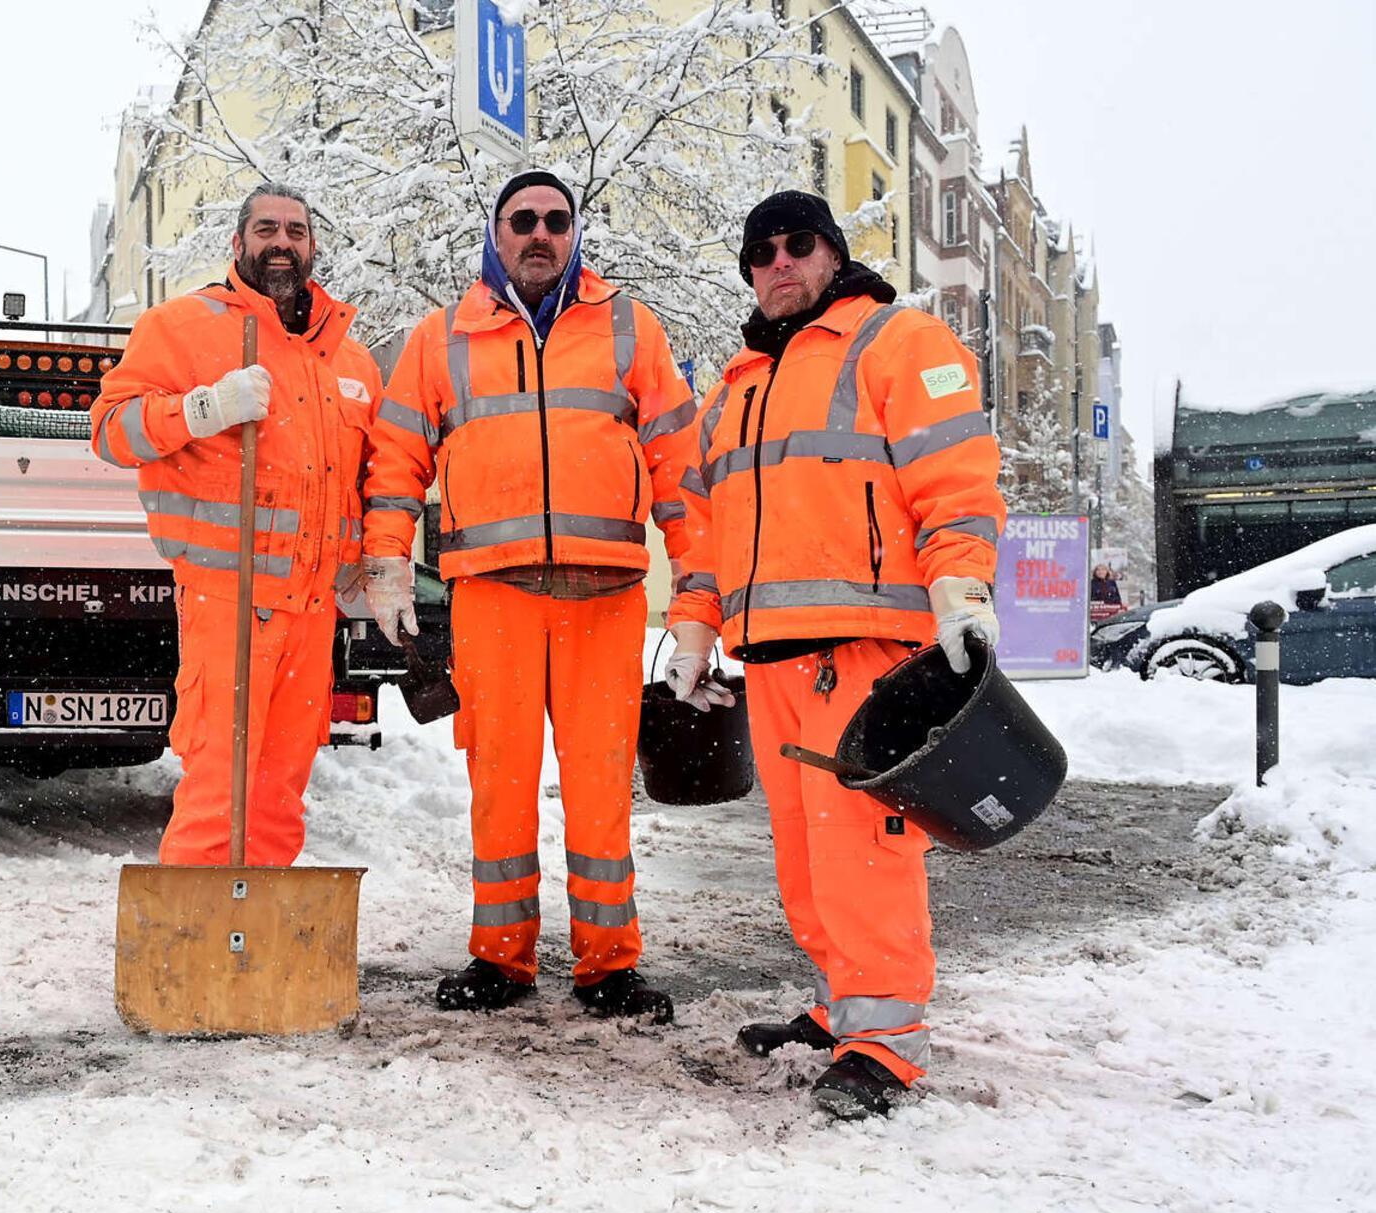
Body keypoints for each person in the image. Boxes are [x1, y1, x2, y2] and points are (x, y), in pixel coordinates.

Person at [663, 191, 1006, 1118]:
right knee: (804, 857)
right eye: (761, 250)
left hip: (867, 652)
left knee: (862, 853)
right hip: (770, 656)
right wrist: (694, 621)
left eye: (798, 244)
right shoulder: (735, 389)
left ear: (832, 254)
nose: (780, 262)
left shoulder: (897, 343)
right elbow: (702, 527)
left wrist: (962, 582)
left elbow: (955, 478)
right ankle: (839, 1005)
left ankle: (887, 1042)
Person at [362, 170, 721, 1019]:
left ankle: (608, 964)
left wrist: (700, 596)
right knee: (502, 786)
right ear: (495, 232)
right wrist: (384, 559)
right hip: (496, 599)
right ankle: (501, 960)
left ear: (576, 234)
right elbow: (397, 459)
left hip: (605, 599)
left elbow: (682, 469)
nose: (540, 234)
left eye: (556, 221)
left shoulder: (629, 326)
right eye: (522, 220)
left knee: (600, 788)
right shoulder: (442, 337)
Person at [90, 184, 381, 867]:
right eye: (267, 229)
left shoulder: (350, 358)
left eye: (297, 231)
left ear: (313, 247)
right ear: (237, 243)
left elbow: (375, 478)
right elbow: (109, 431)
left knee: (281, 792)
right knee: (219, 789)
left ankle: (262, 950)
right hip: (230, 601)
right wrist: (199, 410)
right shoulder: (183, 329)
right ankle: (197, 949)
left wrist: (384, 561)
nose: (282, 241)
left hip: (313, 612)